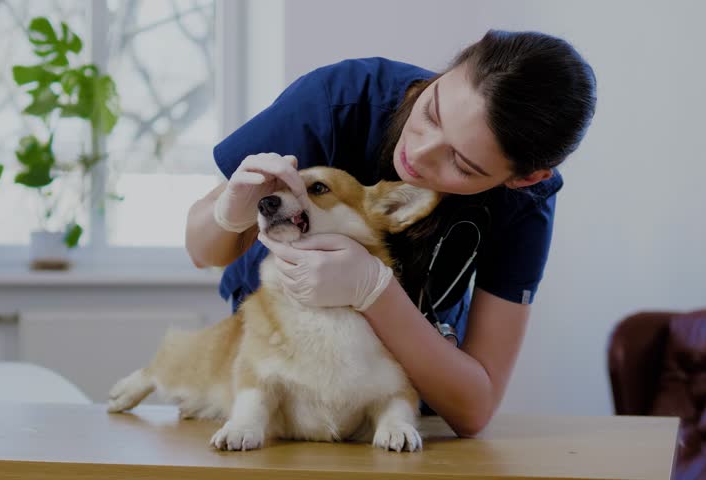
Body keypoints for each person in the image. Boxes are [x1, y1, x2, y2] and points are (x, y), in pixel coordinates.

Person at [185, 29, 597, 437]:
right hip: (277, 384)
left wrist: (375, 293)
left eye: (463, 164)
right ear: (457, 61)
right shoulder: (338, 100)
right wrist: (229, 215)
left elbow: (474, 409)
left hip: (393, 413)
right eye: (432, 112)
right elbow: (201, 252)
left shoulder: (526, 204)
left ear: (526, 179)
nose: (418, 153)